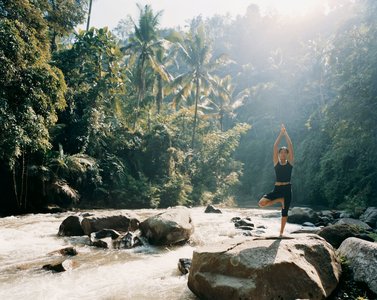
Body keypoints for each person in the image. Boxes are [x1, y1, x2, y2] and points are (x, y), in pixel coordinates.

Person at [258, 124, 294, 237]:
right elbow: (275, 146)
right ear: (279, 154)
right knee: (261, 203)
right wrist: (281, 133)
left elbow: (290, 145)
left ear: (287, 154)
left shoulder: (290, 163)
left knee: (284, 213)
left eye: (285, 152)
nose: (283, 154)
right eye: (281, 152)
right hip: (277, 189)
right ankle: (279, 199)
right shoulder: (276, 163)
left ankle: (281, 233)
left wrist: (286, 133)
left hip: (287, 189)